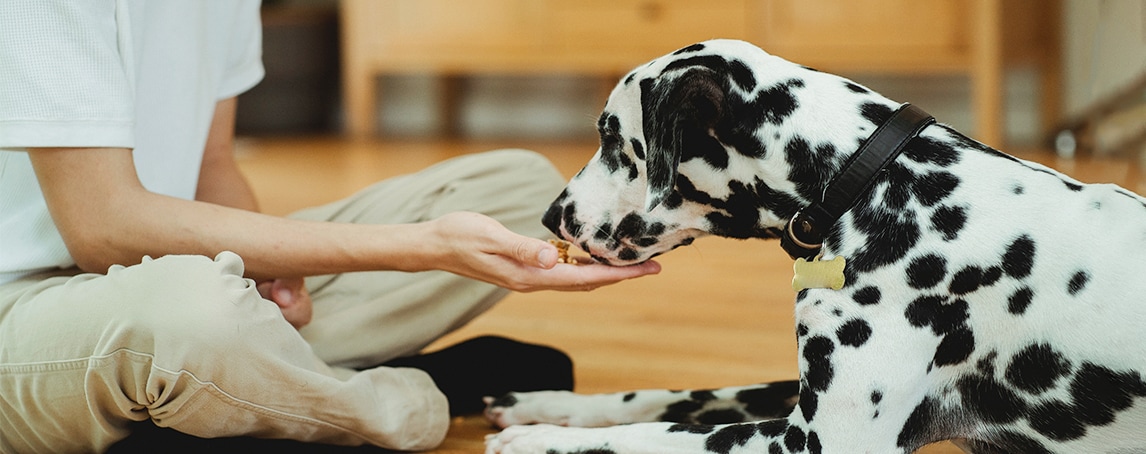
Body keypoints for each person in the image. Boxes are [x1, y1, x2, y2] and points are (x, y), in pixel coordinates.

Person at [0, 1, 660, 452]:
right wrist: (422, 248)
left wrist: (269, 274)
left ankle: (245, 393)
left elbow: (212, 164)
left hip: (155, 273)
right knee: (194, 315)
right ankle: (397, 402)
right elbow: (102, 225)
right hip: (25, 313)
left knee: (517, 190)